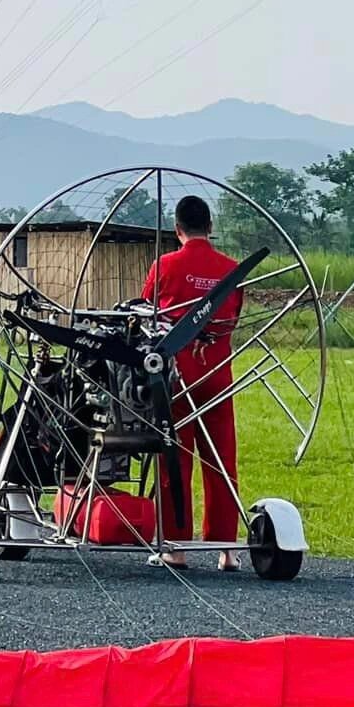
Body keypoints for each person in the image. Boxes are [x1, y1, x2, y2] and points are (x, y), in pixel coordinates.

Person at [140, 194, 243, 570]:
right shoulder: (232, 269)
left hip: (174, 379)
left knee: (174, 460)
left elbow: (145, 312)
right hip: (218, 378)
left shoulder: (165, 265)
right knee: (220, 460)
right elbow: (233, 317)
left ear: (177, 229)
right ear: (211, 228)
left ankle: (175, 547)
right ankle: (227, 550)